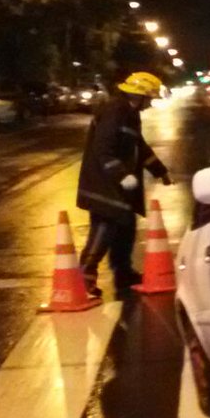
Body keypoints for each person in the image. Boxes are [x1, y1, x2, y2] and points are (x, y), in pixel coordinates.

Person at [76, 71, 172, 297]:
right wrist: (121, 175)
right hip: (103, 186)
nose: (150, 104)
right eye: (149, 98)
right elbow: (103, 149)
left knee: (126, 228)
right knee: (104, 229)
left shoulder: (129, 114)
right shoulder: (115, 111)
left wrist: (160, 171)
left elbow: (139, 147)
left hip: (116, 187)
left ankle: (123, 273)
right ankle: (84, 278)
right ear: (139, 96)